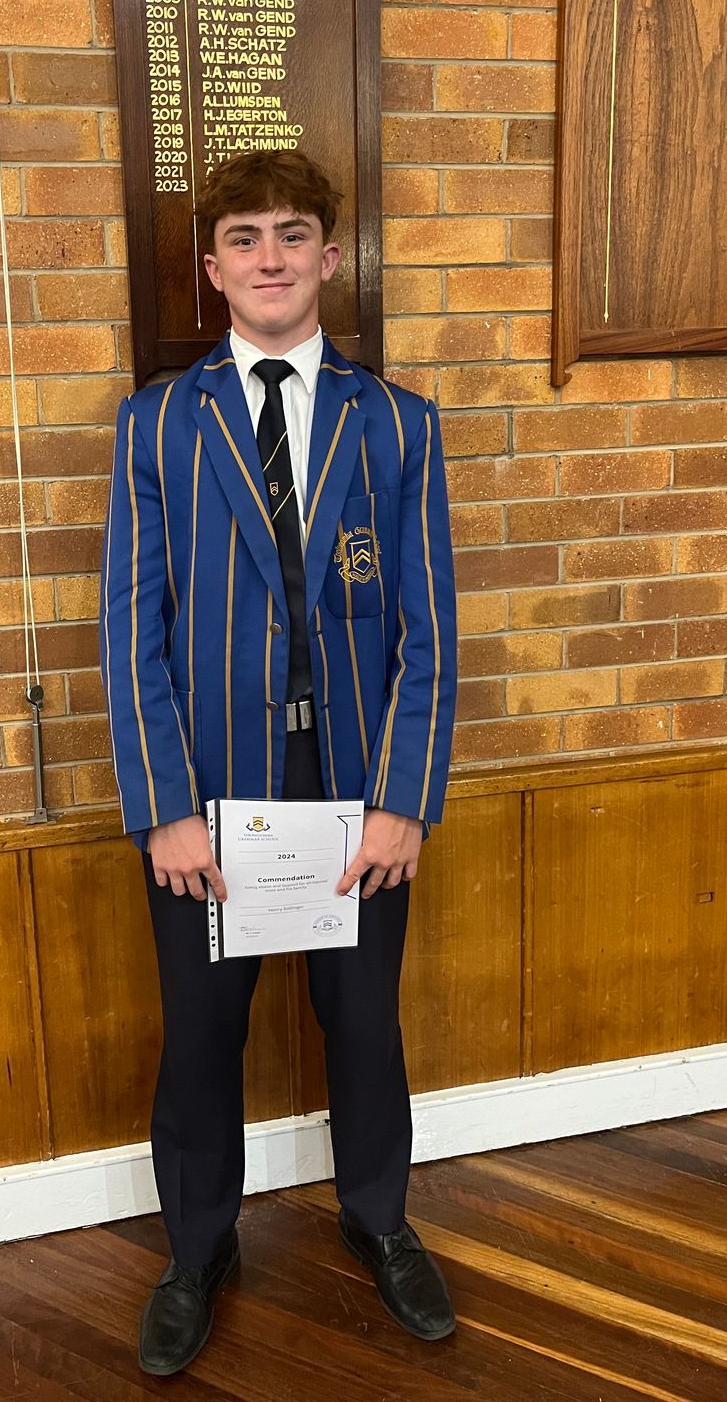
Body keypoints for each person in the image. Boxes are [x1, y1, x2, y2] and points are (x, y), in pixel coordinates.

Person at [100, 149, 458, 1376]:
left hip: (355, 789)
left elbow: (429, 629)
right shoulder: (158, 425)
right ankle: (199, 1248)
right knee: (202, 1033)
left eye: (292, 234)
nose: (270, 258)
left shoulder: (396, 424)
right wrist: (163, 808)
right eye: (244, 238)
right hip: (209, 796)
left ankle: (380, 1218)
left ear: (329, 256)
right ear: (213, 268)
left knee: (365, 1022)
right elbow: (131, 630)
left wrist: (404, 800)